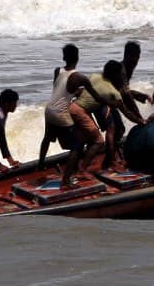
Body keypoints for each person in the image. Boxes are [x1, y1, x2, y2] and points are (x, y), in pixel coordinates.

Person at [40, 44, 115, 187]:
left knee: (47, 138)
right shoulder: (81, 78)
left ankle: (40, 165)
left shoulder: (57, 71)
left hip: (49, 109)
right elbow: (97, 98)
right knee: (78, 144)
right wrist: (111, 102)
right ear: (78, 57)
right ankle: (66, 180)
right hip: (61, 113)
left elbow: (60, 89)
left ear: (64, 57)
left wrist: (75, 92)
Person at [72, 59, 148, 171]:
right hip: (90, 109)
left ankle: (102, 159)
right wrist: (141, 121)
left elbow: (81, 90)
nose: (122, 76)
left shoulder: (94, 76)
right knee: (109, 130)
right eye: (120, 74)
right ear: (115, 75)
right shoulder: (113, 91)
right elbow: (126, 112)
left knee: (89, 136)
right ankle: (109, 161)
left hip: (78, 106)